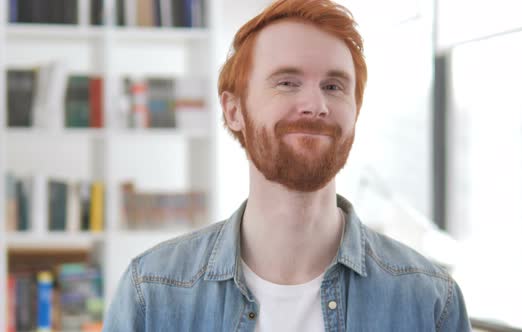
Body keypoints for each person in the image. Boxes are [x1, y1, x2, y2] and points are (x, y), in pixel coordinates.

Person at [103, 0, 471, 331]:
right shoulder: (151, 293)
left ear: (355, 112)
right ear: (234, 111)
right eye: (287, 82)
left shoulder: (431, 302)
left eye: (334, 86)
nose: (315, 104)